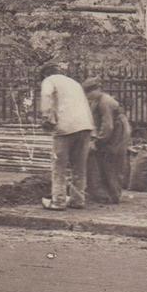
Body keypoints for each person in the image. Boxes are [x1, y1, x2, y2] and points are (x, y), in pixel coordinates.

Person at [39, 60, 95, 210]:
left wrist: (47, 118)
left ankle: (58, 201)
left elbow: (46, 97)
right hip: (85, 126)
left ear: (45, 73)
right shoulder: (74, 83)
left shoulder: (49, 81)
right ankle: (78, 200)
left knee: (59, 166)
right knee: (79, 166)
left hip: (65, 127)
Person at [82, 78, 131, 204]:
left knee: (112, 161)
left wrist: (98, 140)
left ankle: (114, 194)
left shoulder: (105, 101)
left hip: (117, 132)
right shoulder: (97, 101)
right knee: (104, 161)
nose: (88, 97)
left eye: (89, 93)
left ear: (96, 90)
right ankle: (105, 193)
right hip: (112, 132)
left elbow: (108, 125)